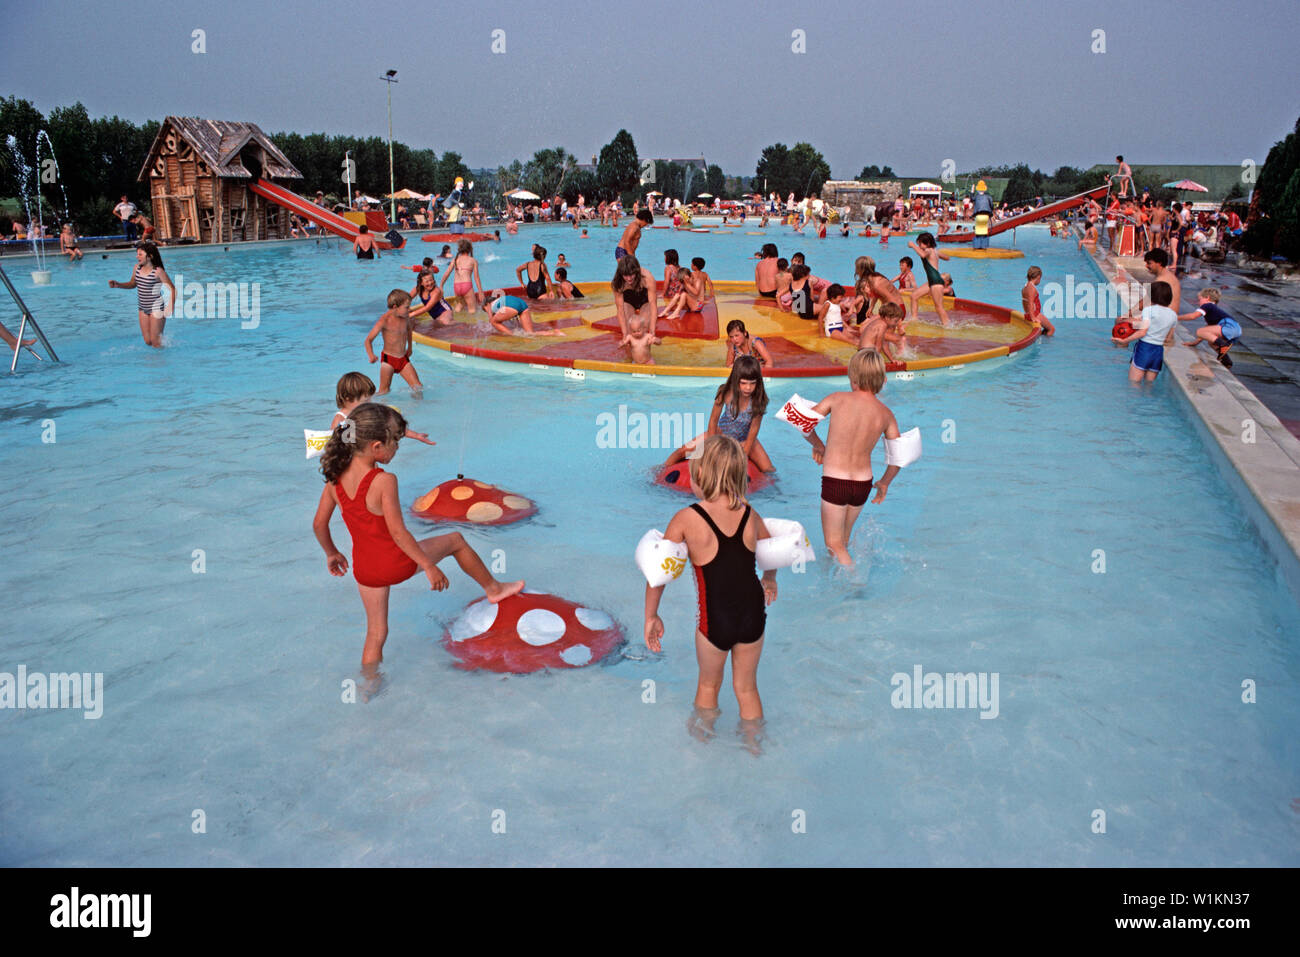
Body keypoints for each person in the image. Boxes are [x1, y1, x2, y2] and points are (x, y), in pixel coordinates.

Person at [312, 403, 524, 671]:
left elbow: (319, 525)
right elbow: (399, 533)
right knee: (456, 540)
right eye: (395, 443)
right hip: (394, 563)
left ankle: (368, 684)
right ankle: (494, 589)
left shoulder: (334, 480)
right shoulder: (384, 481)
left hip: (365, 570)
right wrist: (428, 566)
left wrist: (331, 553)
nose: (397, 449)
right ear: (376, 447)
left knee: (376, 633)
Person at [643, 434, 779, 732]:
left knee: (708, 686)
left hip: (715, 620)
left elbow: (659, 570)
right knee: (747, 689)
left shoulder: (686, 518)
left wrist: (651, 615)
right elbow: (772, 552)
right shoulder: (749, 513)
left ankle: (701, 752)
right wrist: (769, 580)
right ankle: (755, 750)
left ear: (700, 473)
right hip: (754, 615)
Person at [802, 349, 905, 565]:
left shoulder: (837, 399)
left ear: (853, 376)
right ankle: (838, 581)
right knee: (843, 542)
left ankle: (855, 585)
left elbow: (803, 424)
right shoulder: (885, 413)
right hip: (862, 485)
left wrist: (820, 446)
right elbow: (899, 456)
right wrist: (885, 482)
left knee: (834, 544)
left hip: (835, 481)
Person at [661, 356, 774, 473]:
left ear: (758, 382)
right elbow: (713, 421)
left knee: (769, 469)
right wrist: (712, 447)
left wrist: (743, 455)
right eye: (743, 383)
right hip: (720, 435)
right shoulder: (726, 392)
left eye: (752, 383)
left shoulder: (758, 401)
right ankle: (661, 470)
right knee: (682, 451)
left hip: (744, 440)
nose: (748, 388)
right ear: (736, 380)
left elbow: (753, 431)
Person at [330, 372, 434, 445]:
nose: (369, 403)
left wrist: (415, 435)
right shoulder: (343, 419)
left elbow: (390, 426)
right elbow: (336, 447)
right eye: (365, 401)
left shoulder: (365, 413)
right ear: (348, 399)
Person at [108, 241, 174, 348]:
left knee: (156, 343)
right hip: (143, 308)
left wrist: (171, 306)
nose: (137, 256)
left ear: (150, 256)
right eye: (137, 254)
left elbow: (172, 289)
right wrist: (118, 284)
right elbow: (132, 284)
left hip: (157, 308)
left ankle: (162, 362)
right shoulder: (137, 268)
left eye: (140, 254)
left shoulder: (158, 271)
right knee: (148, 341)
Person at [1113, 280, 1177, 383]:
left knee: (1134, 384)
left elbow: (1143, 332)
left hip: (1144, 349)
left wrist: (1124, 341)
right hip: (1158, 352)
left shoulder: (1149, 310)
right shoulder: (1173, 315)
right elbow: (1168, 338)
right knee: (1149, 385)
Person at [364, 289, 423, 396]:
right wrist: (371, 355)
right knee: (384, 392)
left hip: (403, 359)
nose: (409, 309)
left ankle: (417, 408)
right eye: (406, 307)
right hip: (388, 360)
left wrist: (409, 347)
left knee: (418, 387)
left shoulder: (405, 318)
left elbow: (409, 331)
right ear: (395, 307)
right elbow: (368, 340)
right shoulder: (384, 321)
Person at [1177, 287, 1241, 368]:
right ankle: (1226, 361)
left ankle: (1223, 344)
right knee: (1211, 342)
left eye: (1199, 299)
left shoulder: (1207, 305)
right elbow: (1206, 332)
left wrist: (1176, 317)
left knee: (1199, 331)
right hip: (1235, 329)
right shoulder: (1213, 311)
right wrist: (1195, 343)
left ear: (1207, 298)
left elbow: (1193, 316)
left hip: (1229, 326)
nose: (1198, 302)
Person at [611, 254, 659, 345]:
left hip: (644, 299)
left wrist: (652, 332)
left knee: (643, 328)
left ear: (636, 271)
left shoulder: (647, 277)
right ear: (621, 274)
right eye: (625, 276)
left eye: (631, 275)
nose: (629, 279)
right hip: (628, 300)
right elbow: (620, 310)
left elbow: (653, 306)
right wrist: (624, 334)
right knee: (630, 330)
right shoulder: (618, 283)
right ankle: (631, 357)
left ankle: (645, 357)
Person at [906, 233, 952, 326]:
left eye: (920, 244)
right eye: (918, 244)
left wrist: (913, 246)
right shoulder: (934, 251)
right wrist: (937, 254)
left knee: (938, 307)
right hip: (932, 281)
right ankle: (914, 319)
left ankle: (948, 325)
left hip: (935, 281)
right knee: (914, 296)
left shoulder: (928, 250)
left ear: (927, 243)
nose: (919, 246)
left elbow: (923, 255)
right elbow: (947, 258)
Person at [485, 290, 565, 337]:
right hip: (522, 304)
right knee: (530, 334)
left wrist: (488, 310)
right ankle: (554, 332)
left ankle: (512, 336)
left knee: (493, 321)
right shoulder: (500, 300)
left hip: (511, 307)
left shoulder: (491, 305)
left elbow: (492, 321)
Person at [440, 239, 483, 313]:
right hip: (467, 286)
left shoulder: (455, 260)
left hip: (456, 287)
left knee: (460, 305)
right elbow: (476, 278)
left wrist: (441, 285)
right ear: (469, 249)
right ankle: (472, 324)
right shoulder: (473, 261)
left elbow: (447, 273)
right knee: (472, 310)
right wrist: (480, 292)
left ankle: (455, 320)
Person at [1022, 265, 1054, 335]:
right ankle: (1045, 344)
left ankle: (1041, 337)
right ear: (1038, 277)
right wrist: (1033, 317)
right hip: (1035, 314)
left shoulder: (1026, 286)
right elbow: (1030, 303)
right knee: (1051, 329)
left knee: (1045, 329)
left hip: (1029, 314)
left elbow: (1024, 302)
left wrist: (1028, 314)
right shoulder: (1032, 288)